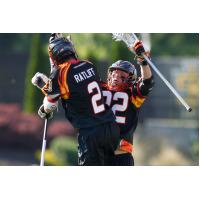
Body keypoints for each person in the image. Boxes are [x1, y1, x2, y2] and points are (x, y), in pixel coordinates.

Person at [36, 34, 120, 166]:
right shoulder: (88, 64)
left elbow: (51, 104)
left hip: (91, 133)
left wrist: (43, 104)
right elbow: (77, 87)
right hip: (111, 128)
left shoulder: (60, 74)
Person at [101, 41, 154, 166]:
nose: (115, 77)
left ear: (131, 79)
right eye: (114, 73)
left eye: (121, 75)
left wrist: (143, 61)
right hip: (97, 152)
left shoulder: (132, 94)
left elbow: (147, 83)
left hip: (120, 154)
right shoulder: (99, 88)